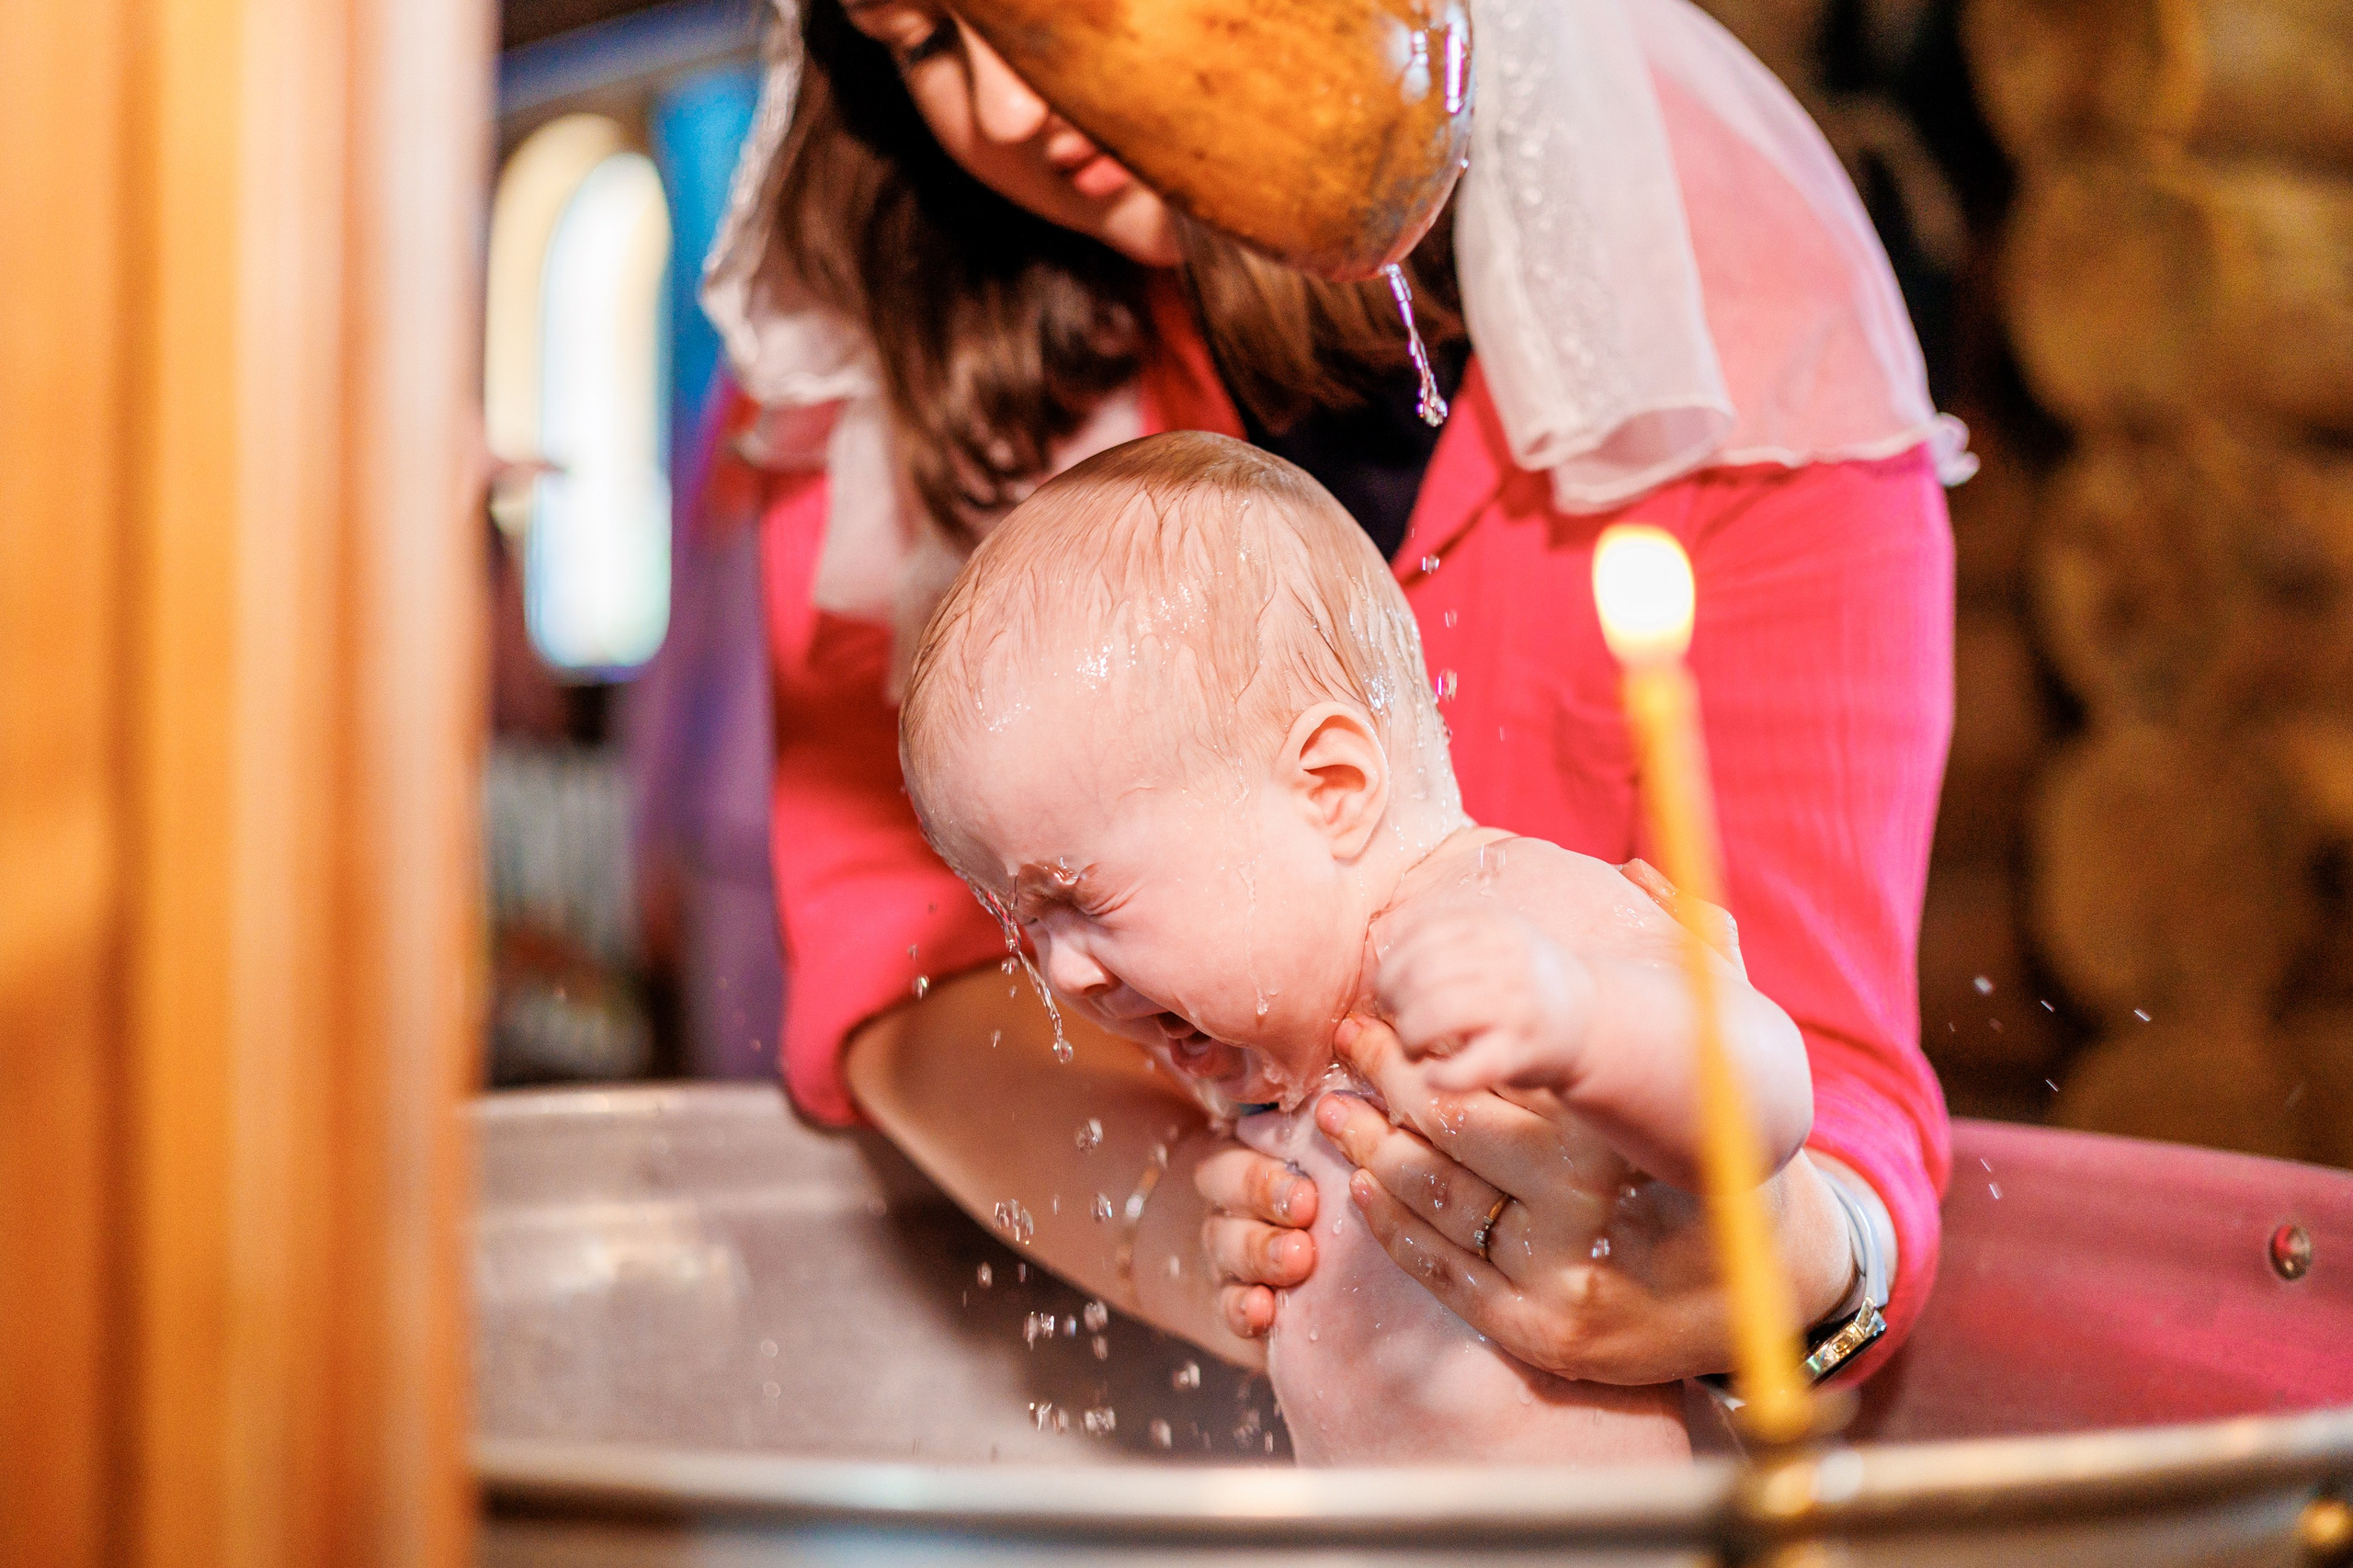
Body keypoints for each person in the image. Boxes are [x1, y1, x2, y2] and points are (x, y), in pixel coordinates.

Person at [696, 0, 1964, 1398]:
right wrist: (1218, 1228)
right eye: (924, 38)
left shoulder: (1739, 327)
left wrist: (1779, 1275)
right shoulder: (916, 355)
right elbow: (904, 978)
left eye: (1045, 6)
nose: (1000, 104)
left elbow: (1823, 1071)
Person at [897, 430, 1824, 1461]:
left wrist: (1581, 1022)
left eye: (1084, 898)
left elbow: (1766, 1090)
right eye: (1029, 928)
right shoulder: (1287, 1065)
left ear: (1329, 790)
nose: (1065, 971)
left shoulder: (1497, 918)